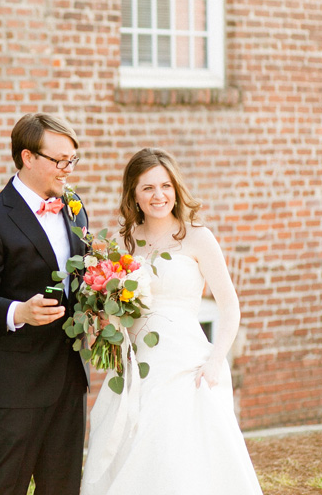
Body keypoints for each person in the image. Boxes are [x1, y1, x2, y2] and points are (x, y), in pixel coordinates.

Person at [81, 148, 263, 494]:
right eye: (148, 188)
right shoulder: (122, 242)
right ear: (133, 194)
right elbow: (111, 308)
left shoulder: (197, 237)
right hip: (136, 364)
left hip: (185, 364)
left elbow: (229, 306)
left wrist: (215, 360)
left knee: (177, 453)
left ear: (176, 190)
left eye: (165, 186)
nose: (159, 195)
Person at [0, 113, 89, 495]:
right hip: (12, 384)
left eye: (72, 159)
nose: (68, 169)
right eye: (59, 160)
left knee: (63, 488)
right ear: (28, 157)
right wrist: (19, 312)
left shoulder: (75, 207)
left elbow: (78, 279)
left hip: (68, 379)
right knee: (5, 487)